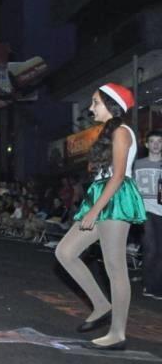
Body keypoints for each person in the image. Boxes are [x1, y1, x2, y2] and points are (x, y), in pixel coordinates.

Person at [54, 83, 146, 350]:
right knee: (66, 252)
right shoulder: (110, 132)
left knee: (115, 267)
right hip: (103, 195)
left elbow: (118, 176)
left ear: (111, 104)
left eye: (95, 102)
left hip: (115, 198)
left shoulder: (121, 132)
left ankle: (118, 333)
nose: (91, 107)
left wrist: (94, 210)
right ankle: (101, 304)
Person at [133, 129, 162, 299]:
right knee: (150, 248)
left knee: (160, 251)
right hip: (145, 210)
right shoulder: (139, 164)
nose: (156, 144)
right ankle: (149, 285)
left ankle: (156, 285)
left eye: (159, 141)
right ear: (146, 144)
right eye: (152, 141)